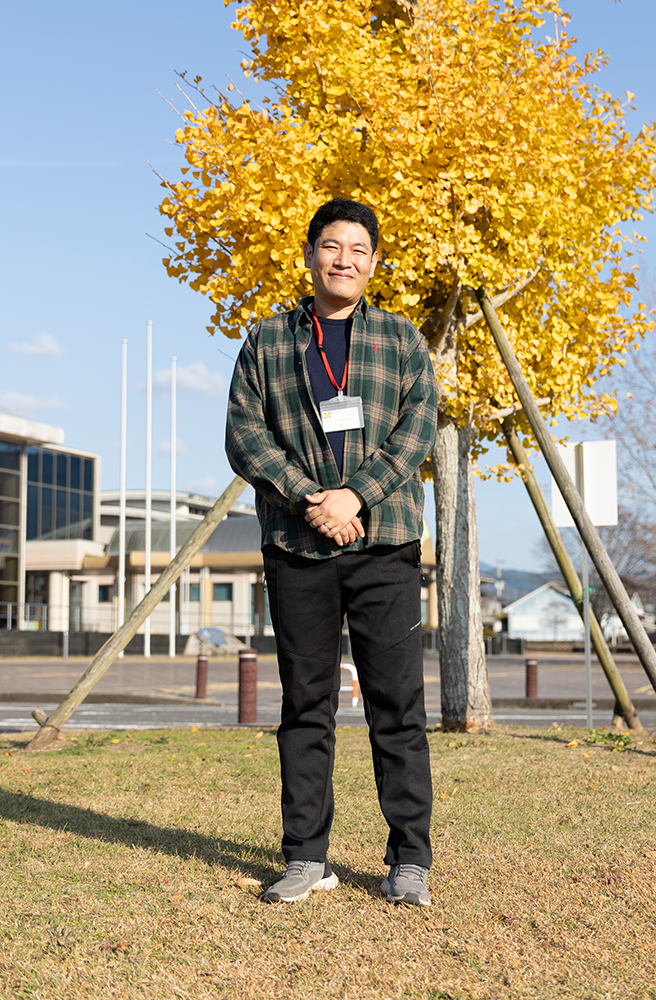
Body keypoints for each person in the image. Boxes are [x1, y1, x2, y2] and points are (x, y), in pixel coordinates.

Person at [226, 198, 438, 907]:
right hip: (296, 542)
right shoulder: (266, 343)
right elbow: (246, 437)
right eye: (332, 246)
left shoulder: (404, 341)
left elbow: (416, 432)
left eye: (358, 249)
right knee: (306, 705)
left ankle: (409, 858)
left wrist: (356, 496)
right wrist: (310, 498)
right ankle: (305, 856)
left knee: (396, 704)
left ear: (373, 262)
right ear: (311, 254)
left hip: (385, 544)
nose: (344, 259)